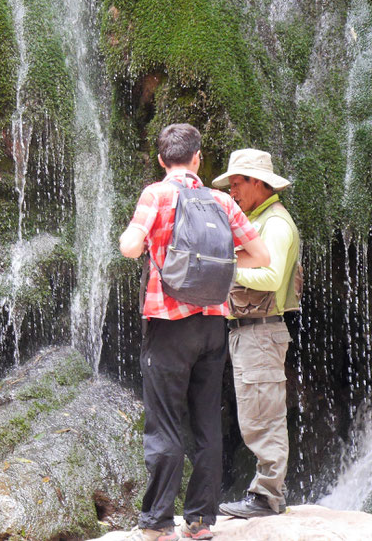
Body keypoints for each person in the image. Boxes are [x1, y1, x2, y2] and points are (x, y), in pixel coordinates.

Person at [120, 124, 270, 541]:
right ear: (198, 159)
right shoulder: (222, 201)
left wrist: (145, 240)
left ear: (161, 159)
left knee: (165, 422)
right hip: (212, 324)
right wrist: (218, 255)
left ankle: (158, 523)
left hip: (168, 324)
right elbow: (261, 255)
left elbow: (131, 247)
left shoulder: (157, 194)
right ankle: (201, 521)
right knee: (206, 420)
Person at [212, 148, 300, 519]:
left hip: (261, 333)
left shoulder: (275, 224)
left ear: (259, 183)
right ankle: (265, 494)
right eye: (230, 183)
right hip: (250, 333)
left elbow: (271, 277)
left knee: (264, 416)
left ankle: (267, 498)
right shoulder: (258, 222)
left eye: (238, 183)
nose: (233, 190)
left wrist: (225, 269)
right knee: (256, 414)